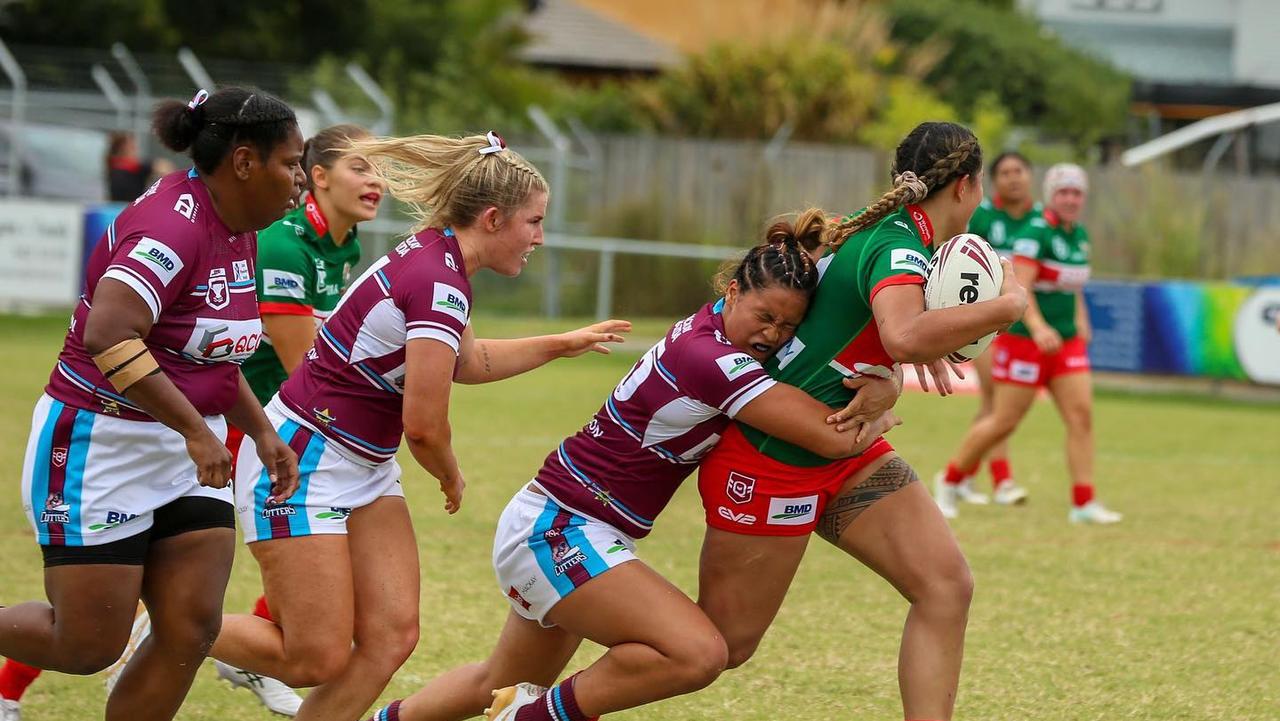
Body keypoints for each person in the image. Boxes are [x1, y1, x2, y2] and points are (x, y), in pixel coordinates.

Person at [371, 213, 904, 721]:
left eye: (789, 326)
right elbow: (828, 439)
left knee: (496, 680)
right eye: (766, 317)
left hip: (562, 521)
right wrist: (882, 407)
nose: (774, 335)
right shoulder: (713, 360)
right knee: (697, 653)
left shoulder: (713, 332)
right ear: (733, 292)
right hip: (559, 527)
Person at [205, 130, 631, 721]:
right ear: (491, 218)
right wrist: (451, 476)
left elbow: (469, 362)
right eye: (533, 222)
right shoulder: (439, 281)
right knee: (314, 657)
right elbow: (424, 426)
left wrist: (561, 343)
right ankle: (170, 622)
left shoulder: (441, 258)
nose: (539, 236)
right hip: (303, 461)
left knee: (390, 638)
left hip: (364, 463)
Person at [692, 122, 1029, 721]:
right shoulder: (899, 243)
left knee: (946, 585)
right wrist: (1005, 306)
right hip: (774, 460)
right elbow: (902, 334)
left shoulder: (893, 234)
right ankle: (543, 703)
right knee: (718, 648)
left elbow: (865, 340)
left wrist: (893, 374)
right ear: (968, 186)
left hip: (844, 450)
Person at [0, 87, 303, 721]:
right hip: (97, 445)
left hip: (183, 451)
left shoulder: (240, 225)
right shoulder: (171, 226)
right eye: (291, 162)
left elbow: (215, 352)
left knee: (191, 627)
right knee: (86, 645)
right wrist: (197, 430)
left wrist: (262, 432)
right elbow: (108, 333)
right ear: (244, 162)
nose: (299, 177)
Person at [110, 124, 386, 715]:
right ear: (318, 175)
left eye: (380, 168)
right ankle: (116, 644)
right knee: (97, 596)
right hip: (246, 425)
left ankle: (225, 650)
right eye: (363, 167)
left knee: (311, 576)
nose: (377, 181)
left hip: (275, 426)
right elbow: (304, 366)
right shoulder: (284, 244)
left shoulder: (344, 245)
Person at [938, 163, 1121, 524]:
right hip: (1027, 342)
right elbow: (1020, 287)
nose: (1071, 199)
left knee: (1081, 417)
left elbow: (1073, 286)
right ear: (1051, 196)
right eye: (1064, 192)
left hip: (1065, 343)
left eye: (1077, 193)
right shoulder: (1036, 232)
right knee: (1004, 420)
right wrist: (1037, 327)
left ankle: (1083, 502)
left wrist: (1082, 321)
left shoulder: (1079, 234)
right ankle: (950, 479)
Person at [940, 151, 1042, 508]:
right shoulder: (982, 216)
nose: (1013, 177)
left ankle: (964, 475)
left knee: (992, 402)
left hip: (1019, 325)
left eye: (1019, 170)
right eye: (1005, 172)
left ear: (1030, 176)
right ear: (994, 180)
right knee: (998, 399)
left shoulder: (1041, 220)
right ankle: (1002, 480)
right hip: (985, 322)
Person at [105, 131, 175, 202]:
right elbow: (164, 166)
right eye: (132, 146)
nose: (136, 149)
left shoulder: (113, 163)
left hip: (119, 206)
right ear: (124, 147)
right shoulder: (131, 166)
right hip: (129, 206)